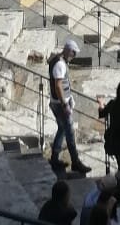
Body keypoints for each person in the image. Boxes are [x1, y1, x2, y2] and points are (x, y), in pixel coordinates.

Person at [49, 39, 90, 176]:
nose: (74, 56)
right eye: (73, 53)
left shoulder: (58, 61)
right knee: (70, 132)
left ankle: (54, 158)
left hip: (58, 102)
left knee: (62, 129)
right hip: (60, 105)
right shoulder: (60, 64)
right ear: (67, 50)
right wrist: (65, 104)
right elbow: (58, 85)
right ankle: (76, 162)